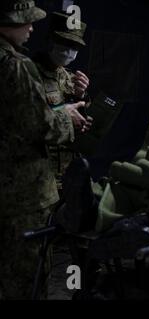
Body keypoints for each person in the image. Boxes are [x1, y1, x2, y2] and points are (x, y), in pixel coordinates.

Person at [0, 0, 90, 299]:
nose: (30, 27)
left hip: (48, 176)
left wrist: (77, 99)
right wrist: (67, 117)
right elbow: (38, 124)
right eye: (25, 21)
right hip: (24, 189)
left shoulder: (62, 74)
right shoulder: (19, 66)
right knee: (27, 272)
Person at [33, 11, 90, 187]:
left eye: (75, 47)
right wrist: (63, 112)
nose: (69, 52)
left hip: (65, 172)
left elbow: (78, 119)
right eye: (64, 44)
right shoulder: (29, 73)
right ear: (50, 40)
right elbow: (27, 118)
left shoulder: (69, 77)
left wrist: (82, 97)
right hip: (36, 172)